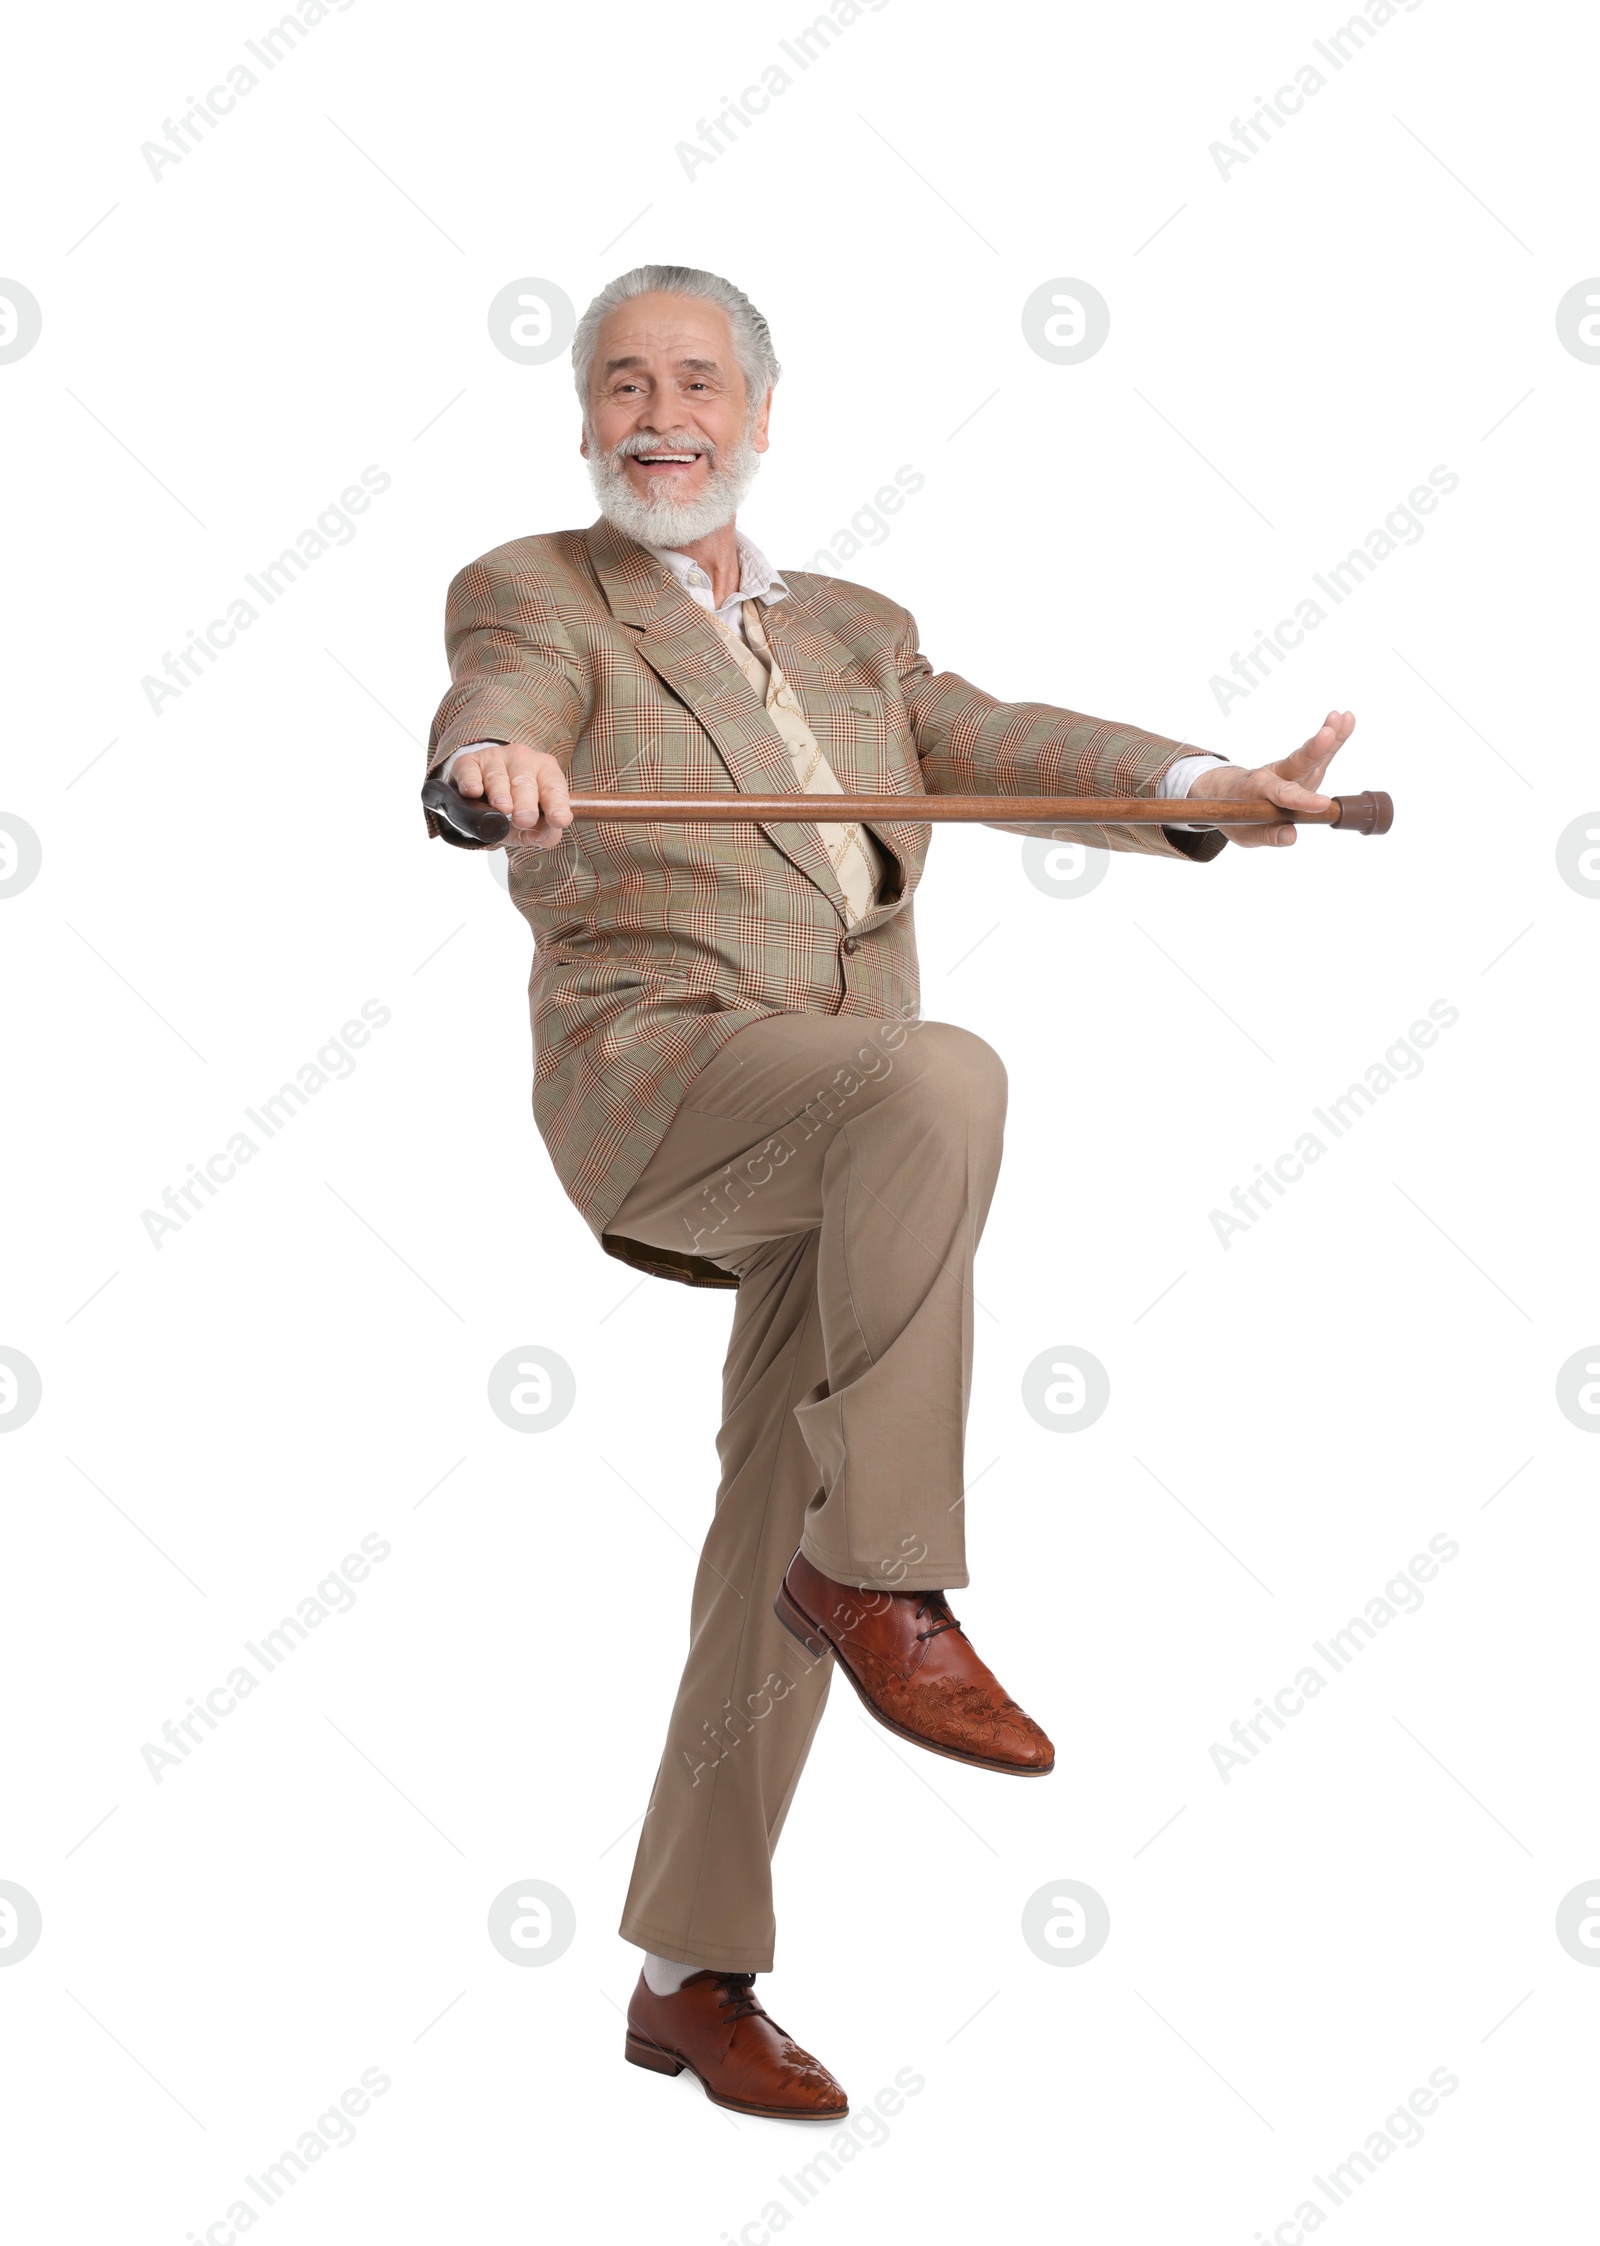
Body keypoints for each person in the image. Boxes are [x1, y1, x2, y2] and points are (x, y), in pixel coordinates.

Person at [425, 263, 1354, 2120]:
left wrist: (1199, 779)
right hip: (670, 1075)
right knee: (947, 1072)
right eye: (622, 384)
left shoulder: (856, 629)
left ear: (764, 417)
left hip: (844, 1158)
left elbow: (988, 740)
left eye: (697, 380)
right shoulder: (541, 592)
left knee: (773, 1512)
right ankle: (893, 1578)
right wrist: (486, 766)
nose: (659, 412)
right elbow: (496, 696)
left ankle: (691, 1973)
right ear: (585, 420)